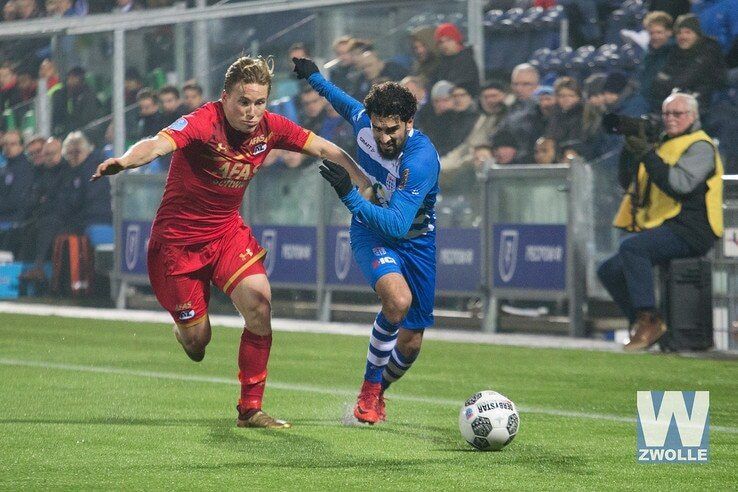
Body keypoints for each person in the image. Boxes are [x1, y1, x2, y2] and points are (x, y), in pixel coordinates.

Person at [92, 56, 370, 429]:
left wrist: (363, 180)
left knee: (260, 303)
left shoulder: (270, 128)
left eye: (260, 102)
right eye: (244, 102)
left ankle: (250, 409)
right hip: (177, 246)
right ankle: (184, 326)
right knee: (198, 344)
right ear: (225, 97)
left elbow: (325, 148)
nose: (252, 112)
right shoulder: (203, 121)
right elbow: (157, 144)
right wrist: (124, 162)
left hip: (225, 234)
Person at [293, 57, 440, 425]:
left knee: (411, 342)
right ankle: (368, 391)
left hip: (415, 240)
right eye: (378, 129)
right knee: (397, 299)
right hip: (369, 231)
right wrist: (314, 77)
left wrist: (351, 196)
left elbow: (397, 223)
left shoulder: (421, 160)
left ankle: (381, 392)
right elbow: (344, 102)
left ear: (409, 123)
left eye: (392, 130)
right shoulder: (365, 124)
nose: (383, 137)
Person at [597, 92, 723, 351]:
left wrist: (647, 153)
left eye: (678, 114)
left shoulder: (701, 145)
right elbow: (628, 183)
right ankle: (646, 324)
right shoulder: (663, 143)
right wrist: (631, 151)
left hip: (694, 228)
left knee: (633, 247)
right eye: (667, 113)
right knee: (608, 270)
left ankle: (649, 320)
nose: (671, 119)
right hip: (667, 225)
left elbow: (680, 185)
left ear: (693, 116)